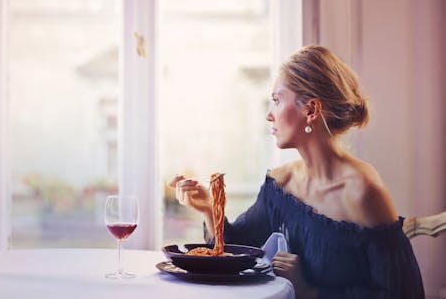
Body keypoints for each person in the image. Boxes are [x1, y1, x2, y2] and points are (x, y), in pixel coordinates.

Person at [169, 45, 424, 299]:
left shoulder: (362, 191)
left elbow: (404, 293)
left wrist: (310, 291)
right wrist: (209, 208)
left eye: (277, 100)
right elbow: (237, 252)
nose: (269, 115)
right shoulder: (282, 183)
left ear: (311, 110)